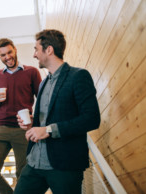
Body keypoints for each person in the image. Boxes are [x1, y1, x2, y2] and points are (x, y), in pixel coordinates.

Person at [14, 29, 101, 194]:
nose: (34, 55)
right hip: (34, 163)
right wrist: (32, 124)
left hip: (65, 166)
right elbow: (47, 120)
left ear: (49, 50)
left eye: (36, 49)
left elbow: (91, 119)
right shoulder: (43, 83)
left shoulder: (79, 76)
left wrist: (47, 130)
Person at [0, 38, 42, 194]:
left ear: (15, 50)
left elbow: (42, 100)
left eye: (9, 52)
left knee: (23, 175)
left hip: (22, 131)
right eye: (3, 55)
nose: (7, 57)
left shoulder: (31, 72)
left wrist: (34, 120)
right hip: (0, 129)